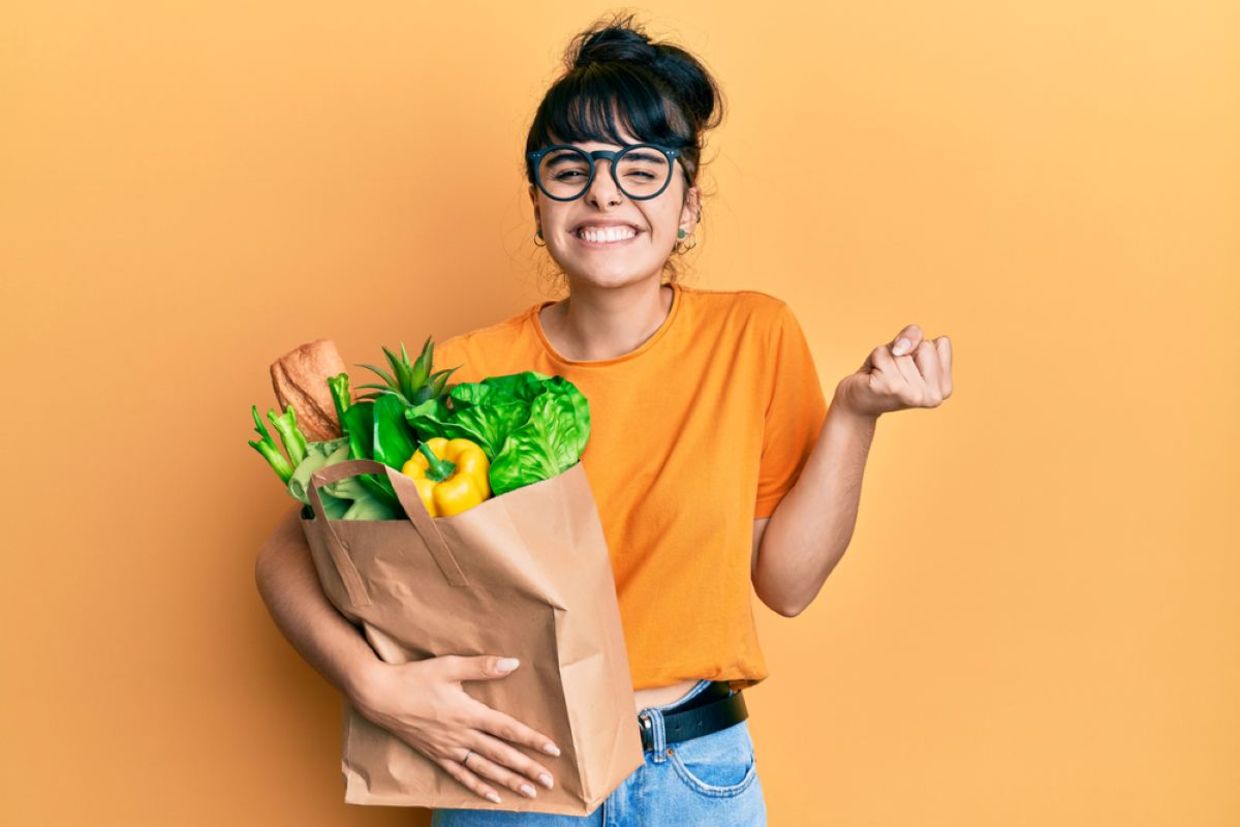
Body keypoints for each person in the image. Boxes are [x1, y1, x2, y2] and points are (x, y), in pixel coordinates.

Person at [255, 12, 954, 827]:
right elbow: (288, 550)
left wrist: (855, 415)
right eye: (571, 167)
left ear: (689, 204)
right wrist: (373, 684)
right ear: (539, 202)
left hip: (696, 772)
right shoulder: (465, 370)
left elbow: (788, 585)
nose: (604, 190)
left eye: (642, 167)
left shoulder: (753, 337)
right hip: (514, 775)